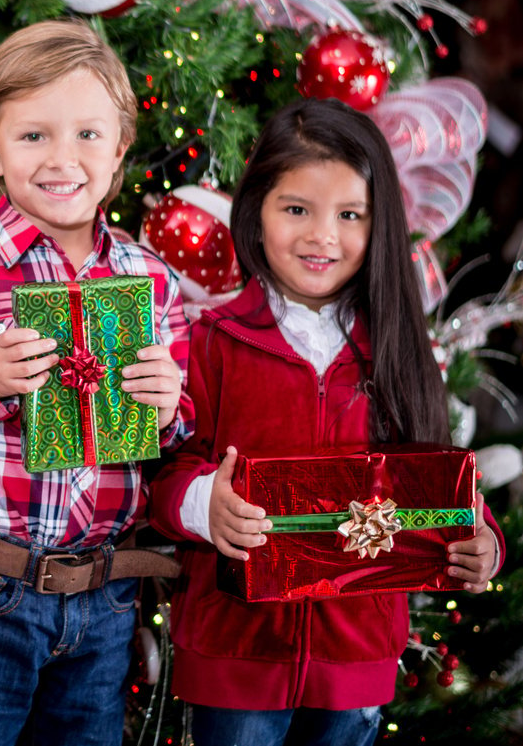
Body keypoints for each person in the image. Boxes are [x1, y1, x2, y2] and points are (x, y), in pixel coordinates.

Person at [147, 97, 504, 746]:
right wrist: (205, 503)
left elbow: (438, 484)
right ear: (253, 213)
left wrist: (481, 541)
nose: (321, 236)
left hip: (356, 659)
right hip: (236, 657)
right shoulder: (210, 340)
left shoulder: (399, 347)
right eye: (296, 210)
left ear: (379, 226)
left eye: (349, 215)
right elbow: (162, 478)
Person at [0, 18, 192, 746]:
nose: (61, 158)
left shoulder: (149, 280)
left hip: (105, 594)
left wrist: (167, 407)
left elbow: (181, 424)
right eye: (32, 135)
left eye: (87, 136)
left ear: (120, 150)